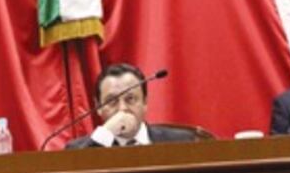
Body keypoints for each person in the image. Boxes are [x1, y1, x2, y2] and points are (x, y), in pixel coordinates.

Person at [65, 63, 195, 149]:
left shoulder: (182, 142)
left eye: (130, 99)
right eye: (112, 101)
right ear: (98, 107)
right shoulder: (76, 151)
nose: (122, 108)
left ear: (145, 102)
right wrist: (105, 134)